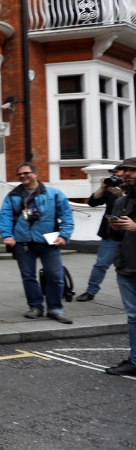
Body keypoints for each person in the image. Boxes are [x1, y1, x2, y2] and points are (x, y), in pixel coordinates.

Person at [0, 162, 75, 324]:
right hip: (23, 242)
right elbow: (5, 216)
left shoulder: (54, 194)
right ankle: (35, 307)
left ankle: (55, 309)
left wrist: (64, 236)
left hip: (49, 242)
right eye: (19, 174)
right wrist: (7, 235)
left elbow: (67, 216)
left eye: (26, 173)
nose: (23, 176)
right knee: (28, 276)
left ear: (35, 174)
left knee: (55, 276)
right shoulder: (13, 195)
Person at [106, 157, 136, 376]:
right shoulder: (121, 201)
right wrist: (113, 226)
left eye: (132, 170)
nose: (126, 174)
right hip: (126, 266)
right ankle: (135, 360)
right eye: (124, 170)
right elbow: (114, 235)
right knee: (133, 316)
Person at [77, 166, 125, 302]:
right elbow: (92, 202)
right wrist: (102, 187)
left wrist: (121, 196)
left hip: (130, 234)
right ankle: (91, 291)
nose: (114, 175)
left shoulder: (131, 190)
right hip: (110, 233)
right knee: (101, 264)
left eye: (117, 173)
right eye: (113, 174)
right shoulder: (110, 189)